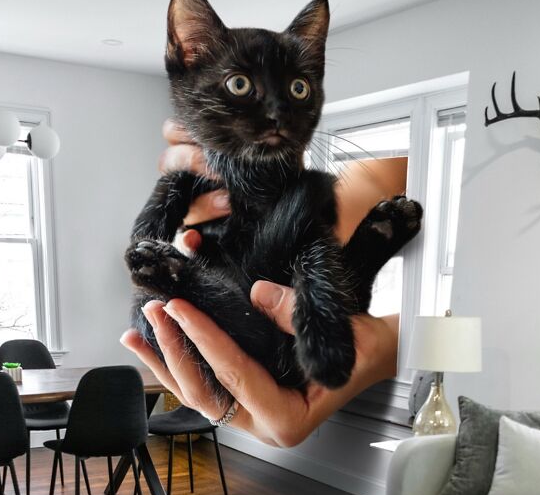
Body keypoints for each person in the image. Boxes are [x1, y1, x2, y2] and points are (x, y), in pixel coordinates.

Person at [121, 119, 408, 448]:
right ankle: (361, 258)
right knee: (152, 308)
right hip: (249, 315)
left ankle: (183, 279)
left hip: (267, 331)